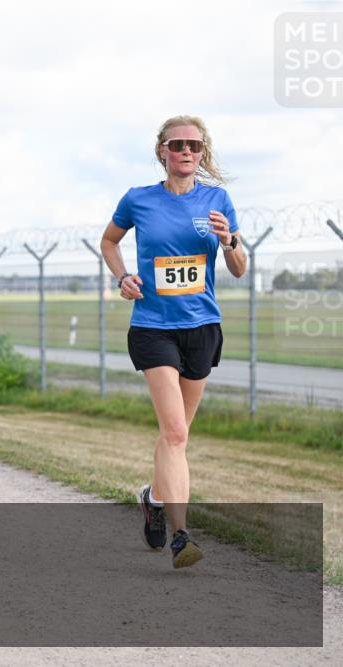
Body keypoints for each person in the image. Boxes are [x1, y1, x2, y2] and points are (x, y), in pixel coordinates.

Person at [100, 115, 247, 569]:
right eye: (178, 144)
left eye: (195, 146)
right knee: (176, 431)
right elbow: (109, 241)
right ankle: (182, 535)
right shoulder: (138, 199)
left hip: (202, 327)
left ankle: (153, 499)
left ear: (203, 153)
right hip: (153, 327)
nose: (187, 152)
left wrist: (229, 240)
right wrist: (123, 276)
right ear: (162, 150)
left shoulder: (217, 200)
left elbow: (239, 267)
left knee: (176, 437)